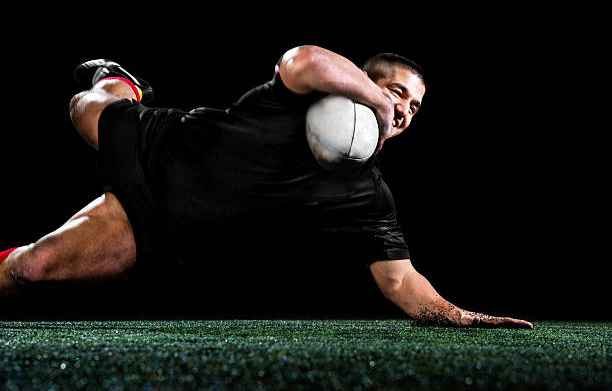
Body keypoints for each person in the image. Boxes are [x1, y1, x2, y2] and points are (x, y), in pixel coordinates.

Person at [0, 45, 532, 328]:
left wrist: (454, 313)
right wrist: (376, 96)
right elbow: (303, 59)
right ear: (367, 82)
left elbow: (398, 281)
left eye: (414, 107)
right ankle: (121, 81)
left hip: (152, 224)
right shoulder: (299, 92)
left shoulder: (366, 194)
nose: (404, 111)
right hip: (157, 143)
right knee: (87, 105)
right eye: (397, 93)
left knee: (31, 269)